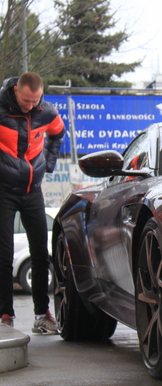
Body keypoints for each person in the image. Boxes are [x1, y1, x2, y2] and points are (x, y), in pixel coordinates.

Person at [0, 72, 65, 334]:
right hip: (4, 190)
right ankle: (5, 315)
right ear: (16, 91)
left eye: (35, 101)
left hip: (33, 191)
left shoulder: (46, 112)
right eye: (26, 101)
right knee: (3, 255)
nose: (30, 106)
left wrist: (48, 165)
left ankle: (42, 314)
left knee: (40, 253)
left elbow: (58, 134)